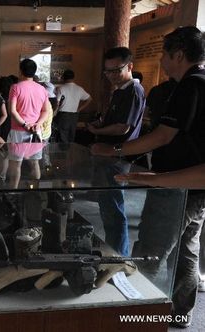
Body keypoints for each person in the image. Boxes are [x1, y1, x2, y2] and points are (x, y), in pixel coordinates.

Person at [90, 26, 205, 328]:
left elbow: (162, 136)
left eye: (165, 55)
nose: (162, 62)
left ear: (178, 55)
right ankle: (180, 313)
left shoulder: (188, 86)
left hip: (178, 185)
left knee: (150, 254)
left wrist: (114, 150)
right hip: (194, 189)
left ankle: (138, 319)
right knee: (184, 253)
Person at [87, 46, 146, 257]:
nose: (111, 75)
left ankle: (119, 256)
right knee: (109, 207)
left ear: (130, 66)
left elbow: (123, 127)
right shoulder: (121, 90)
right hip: (109, 156)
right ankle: (114, 251)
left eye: (116, 70)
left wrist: (98, 129)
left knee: (114, 209)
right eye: (108, 71)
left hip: (117, 156)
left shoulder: (133, 91)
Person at [7, 59, 51, 143]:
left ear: (20, 71)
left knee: (16, 155)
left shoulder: (15, 88)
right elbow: (46, 111)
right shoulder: (42, 89)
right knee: (34, 156)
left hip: (18, 131)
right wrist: (38, 124)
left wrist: (25, 124)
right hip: (36, 131)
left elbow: (12, 111)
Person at [54, 69, 92, 143]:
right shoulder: (79, 89)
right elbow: (89, 99)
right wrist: (79, 109)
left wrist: (54, 113)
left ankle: (63, 154)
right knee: (71, 137)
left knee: (62, 138)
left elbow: (57, 104)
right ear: (73, 77)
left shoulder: (61, 88)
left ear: (63, 78)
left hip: (63, 116)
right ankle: (70, 154)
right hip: (74, 116)